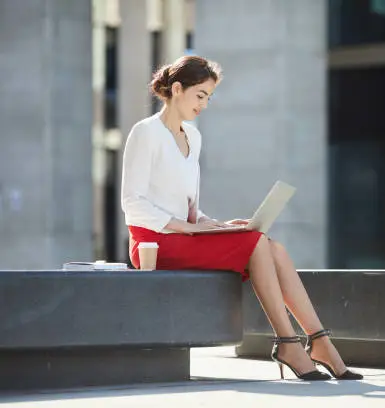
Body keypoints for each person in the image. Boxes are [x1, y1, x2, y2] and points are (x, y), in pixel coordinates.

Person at [121, 55, 362, 381]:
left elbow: (188, 206)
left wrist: (214, 226)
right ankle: (289, 343)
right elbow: (132, 203)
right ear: (177, 89)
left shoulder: (194, 137)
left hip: (186, 235)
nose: (204, 104)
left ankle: (319, 341)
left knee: (272, 247)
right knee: (256, 244)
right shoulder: (145, 132)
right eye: (200, 95)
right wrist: (190, 229)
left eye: (208, 97)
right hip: (154, 243)